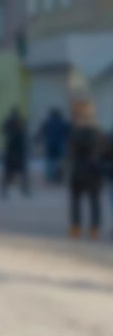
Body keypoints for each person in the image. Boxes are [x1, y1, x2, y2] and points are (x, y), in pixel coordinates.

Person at [66, 101, 105, 239]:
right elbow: (105, 152)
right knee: (94, 201)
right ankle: (94, 228)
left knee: (76, 200)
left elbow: (71, 153)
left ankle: (75, 227)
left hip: (78, 170)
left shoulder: (76, 133)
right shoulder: (99, 133)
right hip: (94, 171)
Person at [0, 107, 30, 197]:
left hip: (11, 152)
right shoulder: (18, 126)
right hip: (16, 153)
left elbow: (2, 130)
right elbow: (22, 136)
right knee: (20, 173)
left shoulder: (9, 123)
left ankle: (4, 191)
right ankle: (23, 190)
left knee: (9, 173)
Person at [36, 106, 70, 185]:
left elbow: (41, 132)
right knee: (59, 160)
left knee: (50, 160)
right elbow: (69, 134)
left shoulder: (47, 122)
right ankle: (58, 175)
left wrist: (37, 140)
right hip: (60, 143)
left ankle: (50, 176)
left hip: (50, 143)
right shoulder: (64, 123)